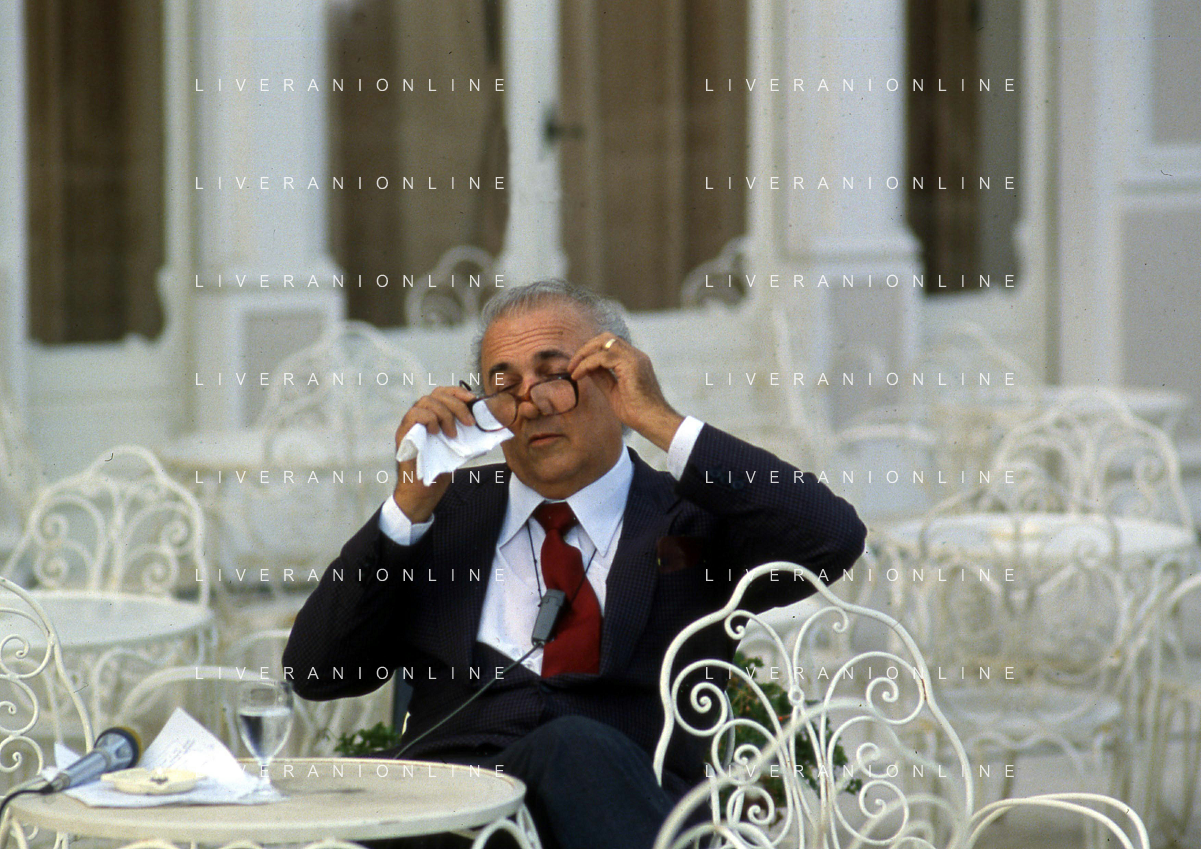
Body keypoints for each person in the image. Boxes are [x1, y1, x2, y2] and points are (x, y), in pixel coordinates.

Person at [283, 280, 866, 849]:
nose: (531, 403)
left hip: (618, 809)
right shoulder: (444, 514)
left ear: (617, 382)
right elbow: (316, 671)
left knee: (569, 746)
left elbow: (832, 538)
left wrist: (660, 421)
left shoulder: (689, 521)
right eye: (504, 386)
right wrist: (406, 509)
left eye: (555, 375)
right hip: (451, 816)